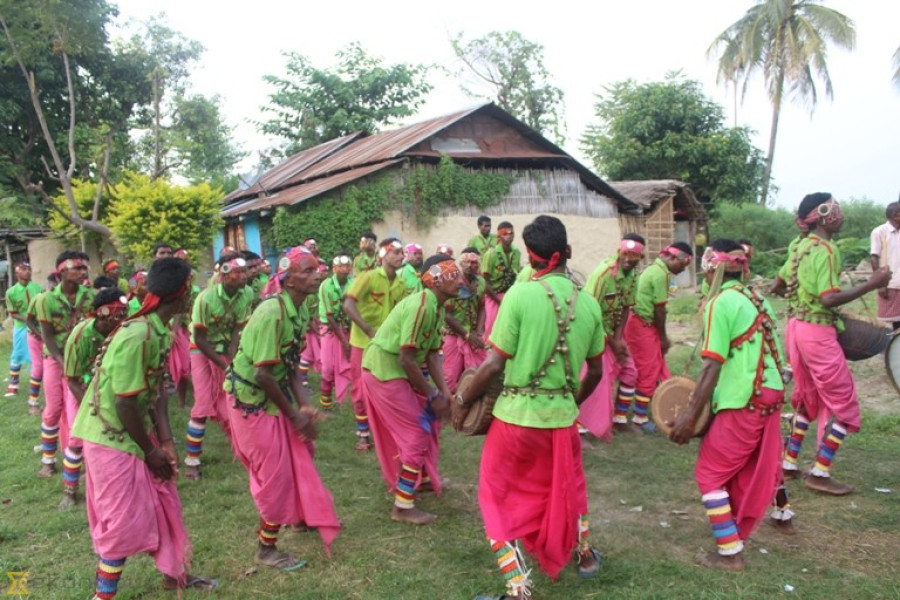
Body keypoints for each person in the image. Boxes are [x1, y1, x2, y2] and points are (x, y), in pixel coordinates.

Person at [459, 215, 606, 600]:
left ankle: (518, 587)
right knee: (569, 487)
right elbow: (597, 371)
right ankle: (585, 554)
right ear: (565, 254)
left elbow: (493, 363)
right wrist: (570, 402)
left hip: (515, 420)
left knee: (495, 496)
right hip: (562, 421)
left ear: (530, 256)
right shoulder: (588, 304)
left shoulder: (520, 296)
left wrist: (462, 400)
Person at [71, 257, 217, 597]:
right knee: (122, 520)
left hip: (130, 430)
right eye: (190, 286)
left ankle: (174, 574)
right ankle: (102, 595)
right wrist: (150, 450)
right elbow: (124, 402)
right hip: (109, 436)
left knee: (165, 496)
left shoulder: (157, 329)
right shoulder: (138, 334)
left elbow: (157, 393)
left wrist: (165, 442)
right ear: (181, 294)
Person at [669, 239, 790, 571]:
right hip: (770, 395)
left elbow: (712, 365)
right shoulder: (757, 298)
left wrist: (689, 417)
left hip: (745, 400)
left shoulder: (720, 303)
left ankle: (729, 552)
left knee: (709, 473)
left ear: (713, 269)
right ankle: (748, 527)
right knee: (741, 470)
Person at [226, 246, 341, 571]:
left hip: (269, 395)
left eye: (316, 269)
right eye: (307, 271)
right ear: (288, 280)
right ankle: (266, 547)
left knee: (303, 449)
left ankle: (297, 516)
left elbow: (289, 364)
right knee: (274, 473)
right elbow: (263, 373)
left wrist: (304, 404)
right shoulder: (271, 312)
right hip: (249, 400)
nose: (317, 274)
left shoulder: (300, 309)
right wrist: (294, 415)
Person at [777, 193, 891, 495]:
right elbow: (828, 298)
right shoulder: (826, 250)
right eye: (835, 208)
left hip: (796, 328)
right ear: (824, 214)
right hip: (817, 333)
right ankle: (820, 472)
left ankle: (789, 463)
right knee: (845, 404)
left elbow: (778, 284)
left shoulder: (799, 245)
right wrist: (872, 284)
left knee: (807, 396)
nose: (840, 214)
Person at [361, 254, 461, 525]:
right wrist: (432, 395)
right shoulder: (422, 306)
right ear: (436, 280)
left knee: (428, 424)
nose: (461, 279)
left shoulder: (436, 307)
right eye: (454, 273)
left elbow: (430, 354)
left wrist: (444, 392)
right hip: (384, 371)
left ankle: (423, 478)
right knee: (416, 433)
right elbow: (407, 358)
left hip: (396, 370)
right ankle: (402, 505)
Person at [183, 252, 253, 480]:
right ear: (223, 274)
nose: (244, 276)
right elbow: (201, 340)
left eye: (245, 272)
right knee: (203, 404)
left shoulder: (247, 294)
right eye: (238, 272)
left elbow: (236, 332)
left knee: (231, 399)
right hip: (201, 350)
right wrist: (224, 367)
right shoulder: (206, 299)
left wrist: (232, 360)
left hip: (224, 349)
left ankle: (244, 451)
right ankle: (192, 460)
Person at [58, 288, 129, 509]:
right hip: (80, 387)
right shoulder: (80, 336)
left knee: (114, 435)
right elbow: (71, 379)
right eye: (117, 316)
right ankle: (69, 491)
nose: (122, 321)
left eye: (125, 314)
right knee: (77, 439)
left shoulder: (122, 333)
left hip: (109, 387)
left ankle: (112, 485)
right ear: (102, 314)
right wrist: (91, 406)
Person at [34, 251, 94, 477]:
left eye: (84, 268)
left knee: (80, 407)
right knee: (53, 408)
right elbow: (47, 336)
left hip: (84, 361)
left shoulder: (90, 296)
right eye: (77, 268)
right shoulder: (45, 300)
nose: (82, 272)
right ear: (62, 271)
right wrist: (64, 364)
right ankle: (48, 459)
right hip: (54, 359)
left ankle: (83, 456)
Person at [622, 241, 693, 432]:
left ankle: (624, 415)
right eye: (682, 265)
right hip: (641, 325)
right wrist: (663, 338)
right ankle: (639, 419)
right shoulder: (660, 274)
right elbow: (659, 309)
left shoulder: (654, 270)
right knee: (648, 370)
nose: (682, 270)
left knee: (650, 367)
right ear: (671, 258)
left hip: (638, 323)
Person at [343, 238, 407, 451]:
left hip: (387, 345)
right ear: (383, 254)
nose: (400, 256)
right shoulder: (367, 277)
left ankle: (386, 429)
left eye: (401, 252)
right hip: (363, 343)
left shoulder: (401, 283)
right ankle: (363, 434)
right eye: (395, 252)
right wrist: (369, 330)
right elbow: (348, 304)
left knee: (388, 386)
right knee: (360, 389)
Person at [578, 234, 644, 440]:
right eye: (625, 254)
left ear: (639, 259)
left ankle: (620, 419)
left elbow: (625, 309)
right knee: (592, 378)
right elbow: (589, 310)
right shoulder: (603, 274)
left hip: (612, 334)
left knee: (630, 371)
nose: (627, 259)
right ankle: (578, 428)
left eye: (633, 256)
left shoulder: (634, 277)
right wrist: (610, 341)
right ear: (619, 252)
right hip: (592, 332)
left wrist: (618, 339)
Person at [442, 247, 487, 393]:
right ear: (461, 264)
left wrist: (479, 332)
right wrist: (468, 336)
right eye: (467, 262)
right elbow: (448, 316)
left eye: (474, 263)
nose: (470, 265)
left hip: (472, 334)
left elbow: (481, 308)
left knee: (476, 374)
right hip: (453, 334)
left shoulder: (480, 282)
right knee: (450, 375)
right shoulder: (453, 282)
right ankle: (448, 406)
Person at [318, 252, 354, 411]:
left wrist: (350, 337)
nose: (344, 269)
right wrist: (344, 341)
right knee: (327, 368)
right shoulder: (326, 286)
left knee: (349, 365)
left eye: (347, 266)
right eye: (341, 266)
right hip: (330, 330)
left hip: (347, 328)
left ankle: (349, 400)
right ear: (334, 269)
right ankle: (326, 405)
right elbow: (330, 317)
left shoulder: (353, 284)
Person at [5, 262, 42, 398]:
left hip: (38, 327)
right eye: (23, 269)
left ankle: (37, 382)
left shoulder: (38, 289)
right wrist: (27, 319)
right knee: (17, 354)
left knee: (39, 355)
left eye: (29, 269)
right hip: (21, 328)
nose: (27, 272)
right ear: (17, 274)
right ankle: (13, 384)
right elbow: (12, 313)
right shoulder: (11, 292)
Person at [481, 221, 522, 337]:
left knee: (511, 328)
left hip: (511, 295)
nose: (509, 236)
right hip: (494, 295)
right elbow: (484, 282)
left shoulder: (516, 252)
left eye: (511, 233)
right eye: (505, 233)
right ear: (499, 235)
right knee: (492, 329)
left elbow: (517, 275)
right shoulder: (491, 254)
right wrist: (499, 301)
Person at [870, 201, 900, 330]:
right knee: (894, 324)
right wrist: (881, 284)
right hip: (891, 285)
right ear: (896, 215)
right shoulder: (880, 232)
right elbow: (874, 258)